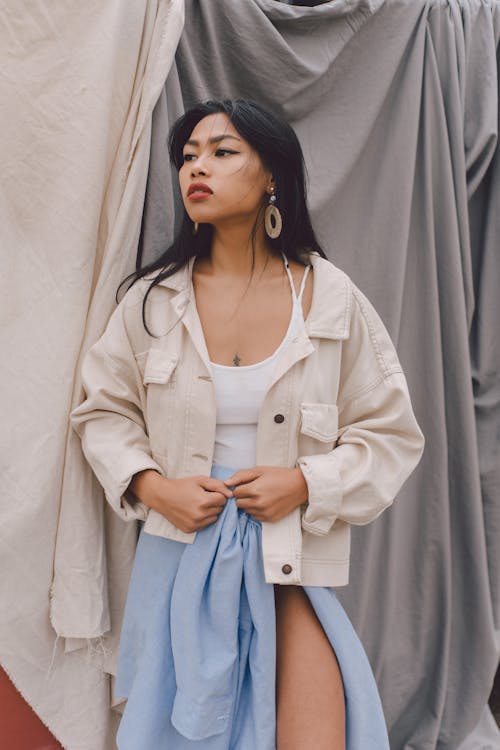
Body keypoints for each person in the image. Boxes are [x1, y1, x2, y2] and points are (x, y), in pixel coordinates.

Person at [70, 98, 425, 749]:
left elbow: (390, 433)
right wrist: (155, 489)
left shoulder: (329, 295)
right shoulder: (151, 302)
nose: (196, 167)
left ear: (271, 176)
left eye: (221, 151)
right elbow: (102, 412)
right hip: (180, 554)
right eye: (186, 156)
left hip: (285, 556)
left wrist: (306, 483)